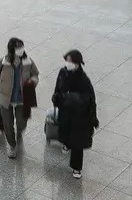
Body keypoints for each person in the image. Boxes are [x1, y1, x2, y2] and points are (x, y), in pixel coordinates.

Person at [0, 37, 39, 158]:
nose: (21, 49)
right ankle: (12, 145)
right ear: (12, 49)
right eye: (18, 47)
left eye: (21, 46)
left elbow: (35, 74)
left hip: (23, 98)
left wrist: (32, 82)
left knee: (22, 122)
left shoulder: (28, 62)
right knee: (7, 124)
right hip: (6, 98)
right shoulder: (4, 62)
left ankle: (19, 132)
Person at [52, 50, 98, 179]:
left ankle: (76, 167)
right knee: (65, 132)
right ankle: (67, 143)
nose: (68, 63)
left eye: (70, 61)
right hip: (65, 112)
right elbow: (58, 88)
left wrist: (93, 117)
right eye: (67, 60)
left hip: (78, 115)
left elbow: (90, 99)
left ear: (78, 63)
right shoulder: (63, 72)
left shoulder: (83, 80)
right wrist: (56, 98)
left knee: (78, 141)